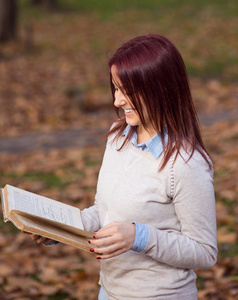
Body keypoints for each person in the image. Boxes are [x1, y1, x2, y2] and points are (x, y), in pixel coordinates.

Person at [31, 34, 217, 300]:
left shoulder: (187, 164)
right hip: (109, 292)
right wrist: (56, 229)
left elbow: (205, 252)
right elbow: (105, 212)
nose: (117, 101)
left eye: (128, 91)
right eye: (116, 88)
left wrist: (139, 237)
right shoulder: (118, 136)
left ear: (160, 89)